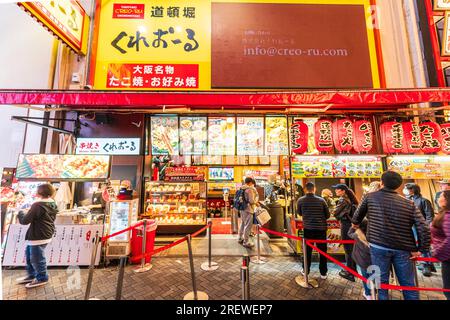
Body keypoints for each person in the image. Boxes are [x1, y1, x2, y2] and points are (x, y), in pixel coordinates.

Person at [352, 171, 431, 300]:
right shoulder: (409, 203)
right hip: (403, 249)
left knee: (382, 284)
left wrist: (356, 225)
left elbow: (356, 219)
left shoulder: (369, 197)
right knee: (408, 285)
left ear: (382, 182)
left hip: (378, 247)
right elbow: (424, 228)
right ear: (398, 185)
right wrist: (421, 249)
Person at [16, 184, 58, 288]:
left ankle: (42, 277)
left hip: (38, 235)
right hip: (46, 232)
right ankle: (32, 275)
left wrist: (20, 212)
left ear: (40, 192)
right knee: (31, 254)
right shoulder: (52, 203)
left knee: (37, 258)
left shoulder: (38, 205)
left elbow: (25, 221)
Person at [297, 182, 330, 279]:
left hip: (308, 229)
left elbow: (300, 213)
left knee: (307, 251)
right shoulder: (321, 200)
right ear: (314, 189)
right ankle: (323, 273)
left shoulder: (300, 200)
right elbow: (327, 215)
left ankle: (306, 271)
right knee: (322, 252)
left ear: (305, 189)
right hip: (321, 229)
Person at [403, 183, 436, 277]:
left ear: (413, 189)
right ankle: (424, 263)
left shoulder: (424, 201)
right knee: (415, 246)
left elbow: (430, 216)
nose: (405, 190)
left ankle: (427, 265)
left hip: (421, 228)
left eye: (406, 188)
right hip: (410, 228)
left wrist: (427, 228)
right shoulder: (406, 200)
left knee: (424, 246)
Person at [333, 184, 359, 282]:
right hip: (352, 226)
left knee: (348, 249)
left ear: (343, 191)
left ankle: (350, 273)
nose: (336, 191)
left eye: (337, 189)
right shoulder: (351, 198)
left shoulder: (342, 200)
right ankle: (353, 270)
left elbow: (335, 213)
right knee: (351, 248)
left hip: (346, 225)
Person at [348, 219, 373, 300]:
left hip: (363, 261)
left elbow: (349, 233)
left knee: (365, 278)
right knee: (375, 277)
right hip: (375, 260)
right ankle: (375, 292)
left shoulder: (356, 235)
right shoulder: (374, 235)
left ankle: (368, 294)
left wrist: (353, 226)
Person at [432, 190, 450, 300]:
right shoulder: (443, 213)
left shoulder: (448, 216)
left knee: (448, 290)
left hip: (448, 258)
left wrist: (437, 252)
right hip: (447, 258)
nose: (438, 198)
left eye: (441, 196)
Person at [237, 177, 259, 248]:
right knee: (248, 225)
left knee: (243, 223)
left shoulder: (241, 188)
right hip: (248, 209)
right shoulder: (249, 190)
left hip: (242, 208)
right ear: (250, 183)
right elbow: (251, 201)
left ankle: (240, 238)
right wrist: (256, 202)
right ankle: (246, 241)